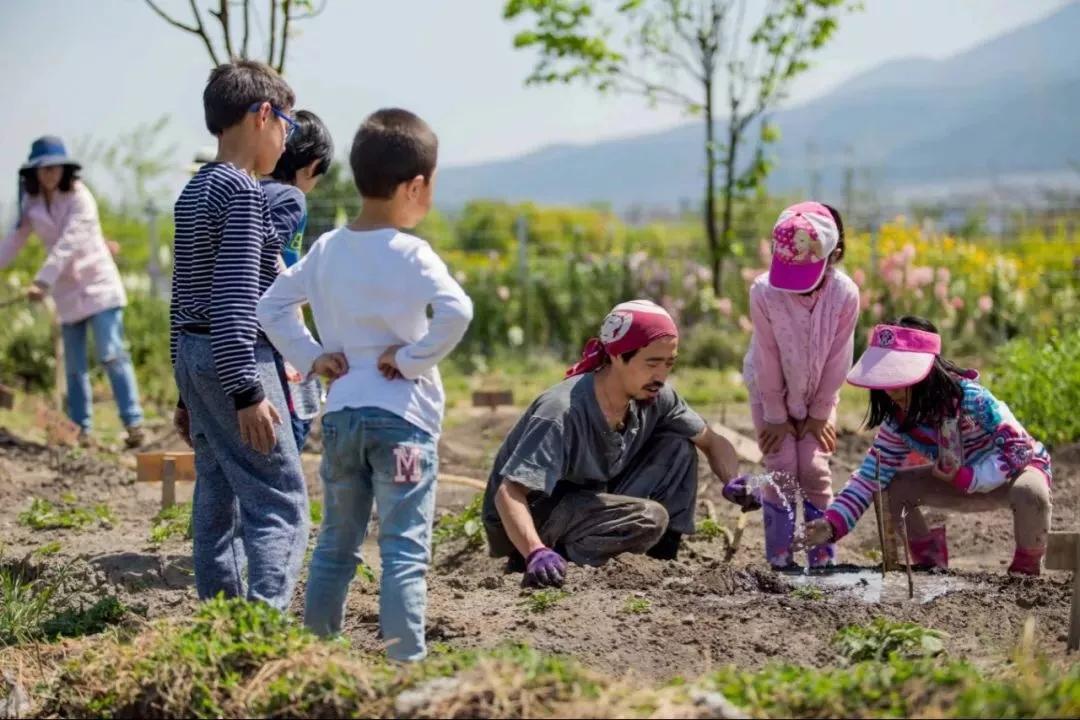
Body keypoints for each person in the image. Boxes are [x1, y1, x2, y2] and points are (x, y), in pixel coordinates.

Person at [258, 108, 472, 662]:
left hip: (343, 420)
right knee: (402, 548)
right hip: (402, 428)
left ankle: (316, 659)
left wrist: (311, 356)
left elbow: (272, 305)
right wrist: (413, 359)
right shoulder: (412, 252)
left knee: (335, 543)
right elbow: (457, 310)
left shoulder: (327, 248)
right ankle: (405, 665)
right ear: (416, 187)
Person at [170, 59, 310, 610]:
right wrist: (247, 391)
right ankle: (261, 629)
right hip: (237, 358)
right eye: (288, 126)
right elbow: (234, 300)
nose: (286, 140)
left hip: (194, 355)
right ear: (263, 115)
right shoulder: (243, 192)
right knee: (279, 498)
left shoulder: (193, 190)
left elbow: (182, 298)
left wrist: (187, 392)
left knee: (218, 493)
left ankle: (221, 619)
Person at [482, 300, 739, 588]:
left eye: (669, 363)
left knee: (678, 447)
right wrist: (534, 551)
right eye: (652, 363)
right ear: (616, 356)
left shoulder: (655, 396)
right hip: (536, 515)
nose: (661, 375)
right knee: (649, 516)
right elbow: (509, 493)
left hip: (592, 497)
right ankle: (555, 560)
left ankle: (661, 560)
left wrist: (733, 481)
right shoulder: (562, 411)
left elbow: (712, 441)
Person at [800, 316, 1052, 576]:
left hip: (1010, 475)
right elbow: (868, 479)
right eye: (885, 378)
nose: (891, 390)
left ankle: (1025, 570)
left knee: (1031, 493)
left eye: (899, 377)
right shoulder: (898, 423)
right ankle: (929, 565)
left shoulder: (972, 401)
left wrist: (971, 477)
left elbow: (1019, 449)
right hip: (956, 480)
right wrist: (832, 524)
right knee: (889, 488)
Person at [726, 201, 859, 570]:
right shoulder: (764, 292)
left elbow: (839, 356)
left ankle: (821, 559)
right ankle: (780, 561)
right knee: (782, 467)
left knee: (814, 469)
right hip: (769, 393)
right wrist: (774, 414)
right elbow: (766, 354)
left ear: (835, 254)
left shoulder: (845, 295)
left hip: (820, 393)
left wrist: (820, 414)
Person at [0, 136, 144, 447]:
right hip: (65, 292)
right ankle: (81, 430)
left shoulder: (81, 198)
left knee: (111, 353)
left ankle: (134, 425)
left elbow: (68, 244)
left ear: (65, 170)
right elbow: (13, 241)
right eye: (43, 169)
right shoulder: (31, 202)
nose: (50, 174)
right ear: (34, 173)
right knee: (74, 366)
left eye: (55, 168)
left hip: (98, 285)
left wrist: (41, 280)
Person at [260, 109, 334, 452]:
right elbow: (273, 255)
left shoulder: (252, 188)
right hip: (276, 323)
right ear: (310, 166)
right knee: (293, 422)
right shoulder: (290, 198)